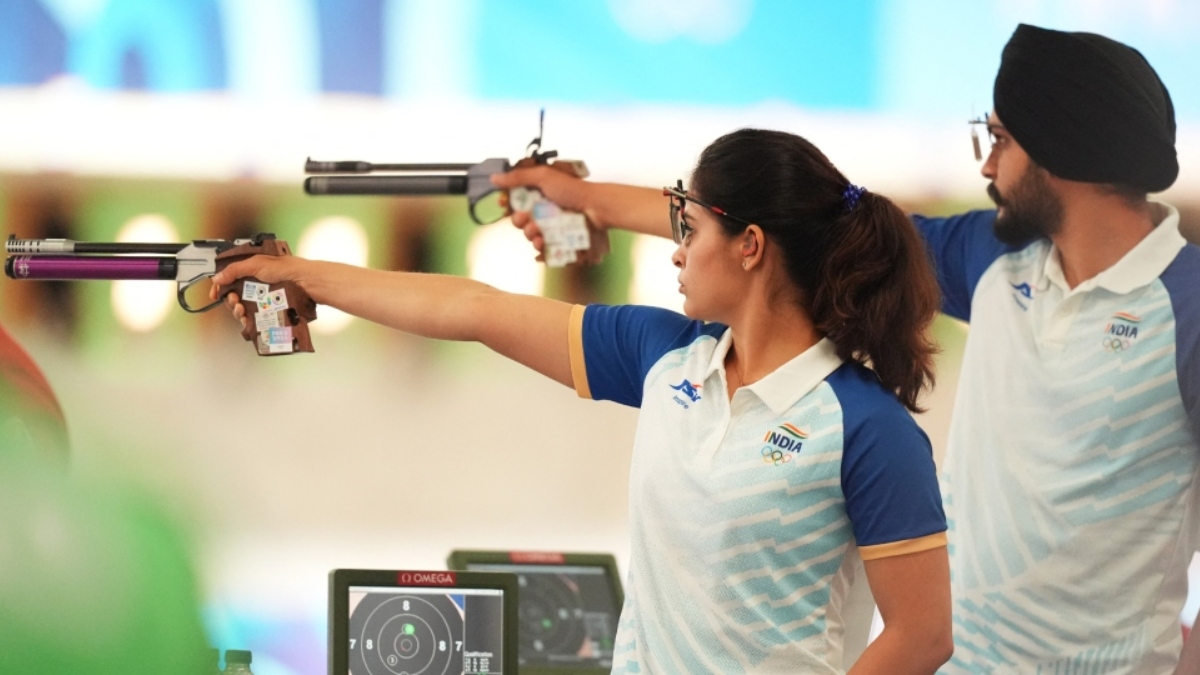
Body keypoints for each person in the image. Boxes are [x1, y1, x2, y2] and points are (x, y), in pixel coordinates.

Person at [494, 22, 1200, 675]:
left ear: (1061, 149)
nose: (987, 165)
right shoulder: (993, 257)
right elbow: (778, 226)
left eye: (1001, 138)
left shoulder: (1191, 309)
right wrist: (582, 198)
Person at [213, 129, 953, 674]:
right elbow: (473, 308)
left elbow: (922, 634)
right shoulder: (664, 356)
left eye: (689, 230)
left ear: (750, 245)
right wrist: (304, 273)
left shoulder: (868, 427)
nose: (676, 250)